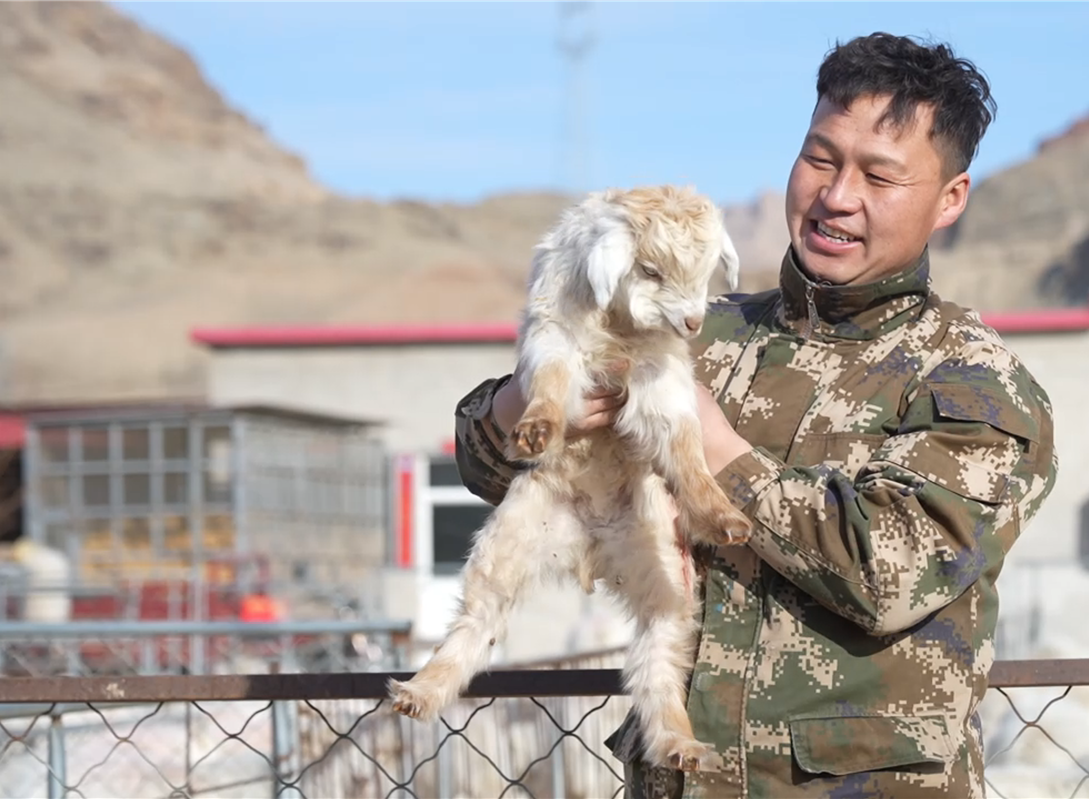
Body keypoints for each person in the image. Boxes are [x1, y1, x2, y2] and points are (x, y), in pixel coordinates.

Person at [451, 31, 1058, 799]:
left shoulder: (972, 380)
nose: (837, 196)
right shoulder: (700, 328)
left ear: (950, 198)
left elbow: (888, 574)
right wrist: (535, 402)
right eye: (820, 158)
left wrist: (712, 446)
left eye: (879, 175)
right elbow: (486, 463)